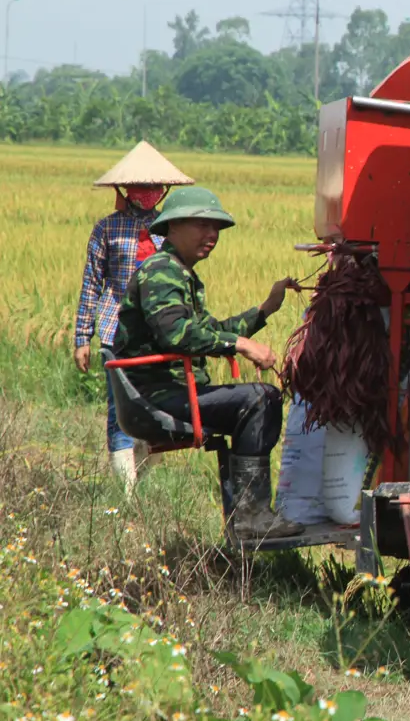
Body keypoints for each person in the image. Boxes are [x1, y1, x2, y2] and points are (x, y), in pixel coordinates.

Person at [111, 186, 302, 540]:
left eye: (216, 227)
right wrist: (242, 344)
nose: (211, 235)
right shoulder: (161, 272)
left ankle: (245, 519)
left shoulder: (179, 273)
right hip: (158, 397)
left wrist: (265, 310)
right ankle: (251, 515)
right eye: (202, 225)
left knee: (257, 399)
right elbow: (178, 336)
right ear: (173, 227)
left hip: (172, 392)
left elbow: (208, 331)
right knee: (259, 399)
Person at [73, 141, 195, 492]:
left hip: (159, 334)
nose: (146, 194)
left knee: (158, 409)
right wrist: (83, 337)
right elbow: (91, 284)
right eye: (139, 187)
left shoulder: (173, 229)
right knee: (120, 410)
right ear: (125, 190)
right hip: (115, 331)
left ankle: (138, 484)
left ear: (162, 191)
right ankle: (125, 496)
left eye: (152, 187)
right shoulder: (106, 229)